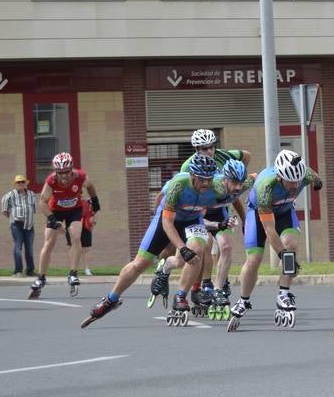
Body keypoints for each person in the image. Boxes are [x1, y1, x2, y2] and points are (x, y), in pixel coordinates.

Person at [82, 155, 222, 326]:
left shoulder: (218, 186)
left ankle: (180, 297)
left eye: (209, 179)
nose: (206, 184)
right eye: (201, 179)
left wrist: (243, 219)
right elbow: (166, 220)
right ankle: (110, 300)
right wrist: (181, 247)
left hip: (193, 221)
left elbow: (241, 187)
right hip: (167, 219)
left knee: (197, 252)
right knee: (140, 263)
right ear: (192, 175)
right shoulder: (178, 184)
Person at [230, 150, 323, 329]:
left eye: (298, 181)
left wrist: (318, 183)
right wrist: (284, 257)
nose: (296, 185)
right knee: (254, 259)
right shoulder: (266, 187)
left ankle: (284, 293)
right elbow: (269, 229)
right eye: (291, 181)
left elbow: (315, 177)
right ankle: (243, 300)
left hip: (285, 210)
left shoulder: (304, 174)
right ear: (280, 176)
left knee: (292, 245)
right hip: (259, 214)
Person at [181, 129, 252, 306]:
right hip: (199, 208)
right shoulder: (187, 166)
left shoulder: (224, 156)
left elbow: (247, 157)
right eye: (204, 149)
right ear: (197, 149)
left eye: (211, 147)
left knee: (226, 246)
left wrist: (238, 172)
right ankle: (200, 287)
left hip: (220, 208)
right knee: (204, 246)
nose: (210, 151)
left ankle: (218, 288)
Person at [29, 153, 100, 299]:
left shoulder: (81, 177)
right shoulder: (51, 180)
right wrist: (54, 221)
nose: (64, 176)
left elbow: (91, 187)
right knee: (49, 242)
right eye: (60, 173)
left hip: (74, 210)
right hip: (55, 211)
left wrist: (96, 205)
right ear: (56, 171)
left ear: (71, 169)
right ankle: (41, 277)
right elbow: (42, 202)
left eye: (66, 172)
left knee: (75, 236)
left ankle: (73, 274)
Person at [2, 174, 37, 276]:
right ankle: (18, 271)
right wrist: (13, 218)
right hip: (16, 225)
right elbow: (4, 211)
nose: (21, 184)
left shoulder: (32, 194)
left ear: (26, 183)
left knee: (29, 248)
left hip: (29, 225)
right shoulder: (9, 195)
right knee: (18, 247)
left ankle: (30, 271)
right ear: (15, 184)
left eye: (23, 182)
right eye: (19, 182)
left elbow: (33, 210)